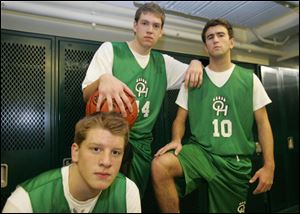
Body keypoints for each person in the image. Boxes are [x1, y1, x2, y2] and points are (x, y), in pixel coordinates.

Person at [151, 18, 275, 213]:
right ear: (205, 47)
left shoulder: (249, 78)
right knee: (160, 165)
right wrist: (176, 139)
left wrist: (270, 165)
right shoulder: (194, 79)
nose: (215, 40)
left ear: (231, 42)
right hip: (201, 153)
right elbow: (179, 119)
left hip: (234, 161)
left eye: (220, 35)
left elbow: (263, 124)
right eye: (210, 37)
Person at [82, 2, 203, 198]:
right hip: (107, 138)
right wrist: (103, 79)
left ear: (161, 32)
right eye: (145, 23)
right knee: (100, 198)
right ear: (134, 25)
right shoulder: (111, 50)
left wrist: (197, 62)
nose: (150, 30)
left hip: (141, 146)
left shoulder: (164, 63)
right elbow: (87, 95)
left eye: (156, 26)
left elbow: (199, 76)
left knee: (131, 199)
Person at [2, 112, 141, 213]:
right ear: (75, 152)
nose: (106, 162)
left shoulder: (127, 192)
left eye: (115, 152)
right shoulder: (26, 202)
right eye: (96, 149)